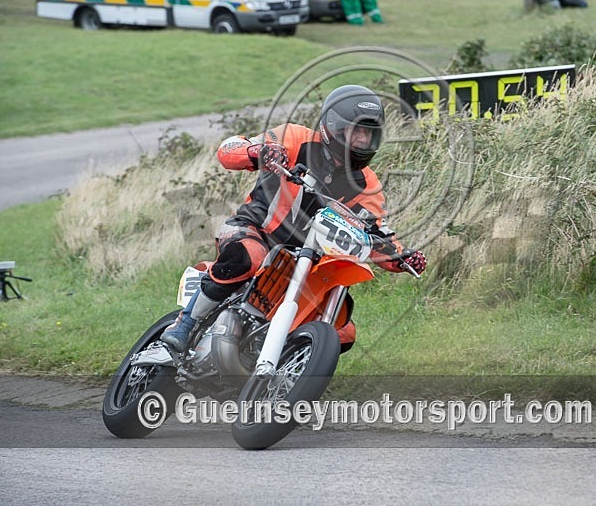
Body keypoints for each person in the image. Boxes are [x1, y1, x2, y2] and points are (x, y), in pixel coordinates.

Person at [161, 85, 426, 353]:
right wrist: (258, 152)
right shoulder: (294, 137)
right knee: (248, 257)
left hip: (308, 261)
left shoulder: (367, 183)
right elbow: (229, 149)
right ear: (333, 126)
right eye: (356, 131)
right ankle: (186, 323)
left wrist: (403, 257)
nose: (362, 140)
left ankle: (282, 370)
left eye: (369, 134)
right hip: (254, 230)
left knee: (343, 331)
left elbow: (378, 230)